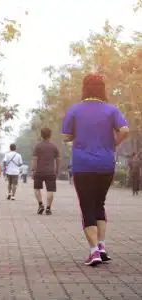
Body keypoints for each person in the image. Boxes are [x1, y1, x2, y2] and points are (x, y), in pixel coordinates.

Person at [62, 73, 129, 266]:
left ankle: (93, 252)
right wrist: (113, 144)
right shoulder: (111, 109)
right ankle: (102, 246)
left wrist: (79, 134)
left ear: (84, 88)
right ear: (102, 89)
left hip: (83, 165)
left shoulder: (74, 110)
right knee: (99, 203)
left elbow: (66, 136)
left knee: (87, 206)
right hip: (106, 164)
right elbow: (124, 130)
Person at [31, 128, 60, 215]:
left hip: (39, 171)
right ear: (50, 135)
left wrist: (33, 170)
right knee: (50, 190)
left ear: (41, 135)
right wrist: (57, 169)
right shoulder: (54, 147)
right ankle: (48, 208)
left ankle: (40, 204)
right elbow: (58, 159)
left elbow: (35, 159)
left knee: (36, 188)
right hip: (51, 172)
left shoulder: (38, 146)